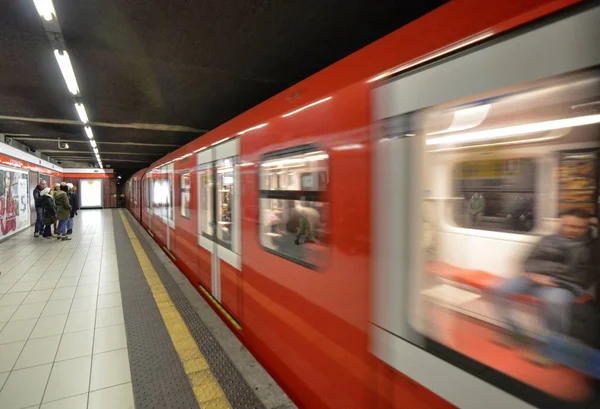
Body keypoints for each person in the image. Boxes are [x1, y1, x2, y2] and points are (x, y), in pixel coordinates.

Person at [493, 208, 597, 365]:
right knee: (499, 289)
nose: (573, 230)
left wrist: (555, 281)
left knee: (554, 301)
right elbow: (529, 260)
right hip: (534, 279)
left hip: (566, 285)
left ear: (588, 227)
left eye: (579, 227)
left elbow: (585, 276)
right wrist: (532, 275)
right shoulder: (548, 240)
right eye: (568, 225)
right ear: (561, 224)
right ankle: (515, 333)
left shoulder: (592, 247)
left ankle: (554, 351)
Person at [0, 171, 17, 236]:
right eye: (6, 178)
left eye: (9, 178)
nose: (7, 181)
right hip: (5, 226)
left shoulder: (11, 197)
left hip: (11, 227)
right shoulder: (2, 198)